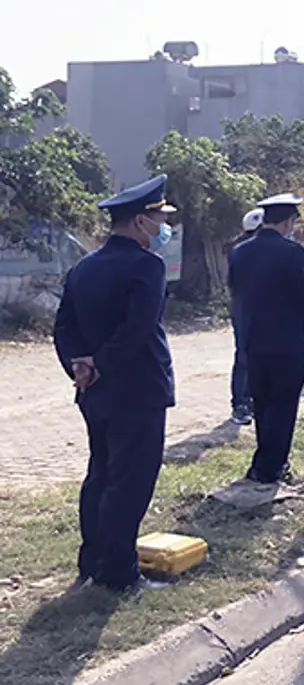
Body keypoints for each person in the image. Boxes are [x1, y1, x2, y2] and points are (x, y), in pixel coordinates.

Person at [52, 174, 177, 594]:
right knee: (130, 481)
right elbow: (138, 329)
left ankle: (92, 561)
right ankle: (119, 573)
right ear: (140, 221)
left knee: (100, 474)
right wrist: (101, 364)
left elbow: (64, 326)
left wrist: (79, 366)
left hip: (95, 392)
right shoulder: (147, 265)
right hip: (138, 390)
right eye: (158, 217)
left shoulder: (84, 267)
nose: (163, 227)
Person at [228, 193, 304, 484]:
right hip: (286, 341)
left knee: (263, 401)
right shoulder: (291, 252)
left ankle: (264, 459)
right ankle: (272, 466)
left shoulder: (239, 252)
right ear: (288, 221)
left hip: (253, 338)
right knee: (284, 402)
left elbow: (234, 287)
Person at [228, 208, 264, 425]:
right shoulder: (248, 251)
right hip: (249, 309)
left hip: (241, 307)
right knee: (245, 357)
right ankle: (240, 403)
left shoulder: (237, 250)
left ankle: (246, 401)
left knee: (247, 355)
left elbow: (231, 282)